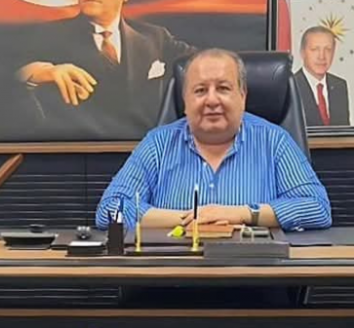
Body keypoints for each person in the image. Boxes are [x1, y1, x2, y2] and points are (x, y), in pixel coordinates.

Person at [95, 48, 332, 231]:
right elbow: (109, 210)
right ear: (185, 100)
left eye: (223, 88)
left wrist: (242, 214)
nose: (211, 100)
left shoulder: (274, 141)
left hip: (253, 272)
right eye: (200, 90)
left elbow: (317, 208)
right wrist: (188, 219)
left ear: (242, 96)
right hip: (172, 274)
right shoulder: (158, 144)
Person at [11, 0, 194, 140]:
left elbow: (207, 61)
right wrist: (38, 73)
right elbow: (4, 78)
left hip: (142, 153)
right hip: (75, 153)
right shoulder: (47, 36)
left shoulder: (155, 38)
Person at [293, 26, 350, 127]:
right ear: (302, 52)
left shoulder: (339, 85)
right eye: (315, 49)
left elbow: (344, 130)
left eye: (328, 50)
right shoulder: (291, 86)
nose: (322, 56)